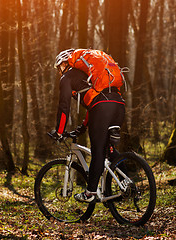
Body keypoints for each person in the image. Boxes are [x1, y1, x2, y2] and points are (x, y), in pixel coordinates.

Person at [50, 49, 126, 203]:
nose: (59, 72)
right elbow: (93, 103)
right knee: (109, 150)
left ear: (64, 64)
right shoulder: (90, 76)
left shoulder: (67, 77)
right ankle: (127, 185)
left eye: (59, 68)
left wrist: (59, 132)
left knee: (97, 150)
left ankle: (90, 193)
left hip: (102, 108)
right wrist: (83, 127)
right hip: (118, 105)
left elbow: (64, 107)